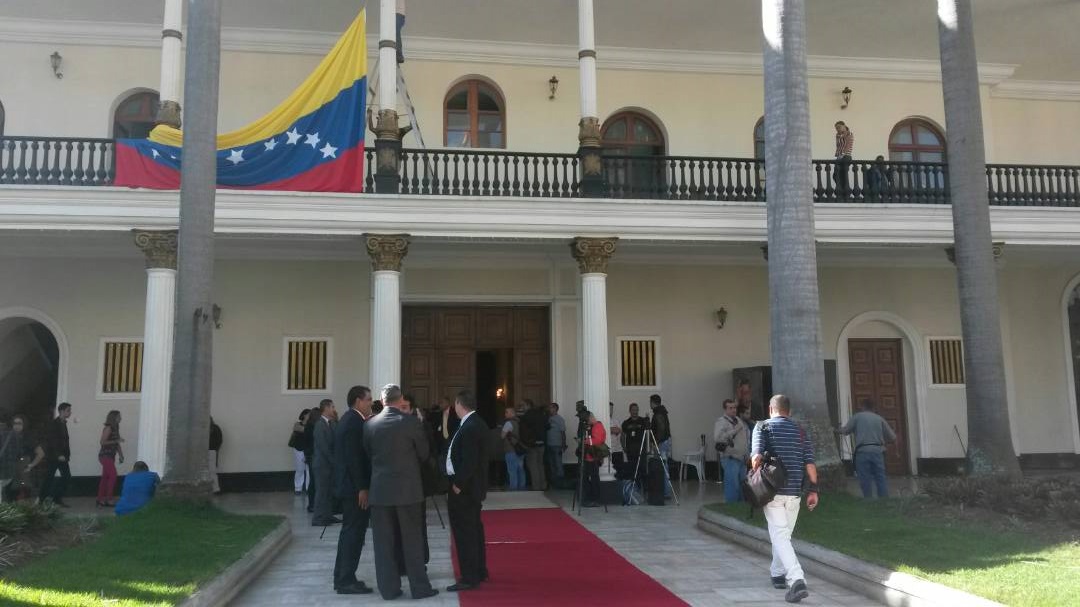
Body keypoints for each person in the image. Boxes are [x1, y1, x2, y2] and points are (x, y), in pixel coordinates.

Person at [362, 384, 438, 601]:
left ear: (382, 400)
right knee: (411, 541)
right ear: (400, 399)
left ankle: (389, 589)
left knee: (383, 543)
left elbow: (368, 454)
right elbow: (424, 454)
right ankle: (420, 588)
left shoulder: (369, 425)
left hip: (381, 491)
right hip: (408, 490)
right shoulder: (411, 422)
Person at [751, 394, 819, 604]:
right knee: (783, 535)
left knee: (780, 536)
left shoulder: (762, 427)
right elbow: (809, 463)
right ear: (788, 411)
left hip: (772, 491)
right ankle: (777, 573)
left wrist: (754, 470)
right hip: (795, 493)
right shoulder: (800, 431)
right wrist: (814, 490)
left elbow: (756, 460)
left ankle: (797, 580)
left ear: (771, 409)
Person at [332, 385, 375, 595]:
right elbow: (354, 460)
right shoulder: (354, 423)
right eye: (368, 400)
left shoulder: (350, 420)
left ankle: (343, 576)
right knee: (353, 534)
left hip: (349, 487)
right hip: (353, 489)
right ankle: (346, 579)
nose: (370, 403)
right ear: (358, 401)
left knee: (349, 533)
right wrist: (362, 488)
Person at [446, 389, 489, 592]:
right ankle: (479, 570)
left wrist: (458, 484)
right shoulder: (474, 423)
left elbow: (470, 461)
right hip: (471, 488)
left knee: (465, 533)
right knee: (473, 530)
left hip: (465, 489)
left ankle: (470, 576)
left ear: (459, 404)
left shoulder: (471, 426)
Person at [837, 398, 896, 499]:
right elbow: (892, 437)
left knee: (865, 478)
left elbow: (845, 431)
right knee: (880, 477)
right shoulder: (879, 418)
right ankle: (884, 500)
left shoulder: (857, 417)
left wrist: (835, 430)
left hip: (862, 451)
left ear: (863, 406)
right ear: (873, 408)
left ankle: (868, 499)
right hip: (878, 451)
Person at [714, 399, 749, 503]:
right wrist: (734, 431)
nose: (733, 410)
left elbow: (745, 438)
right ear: (725, 409)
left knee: (742, 486)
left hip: (742, 458)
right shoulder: (721, 421)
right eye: (730, 408)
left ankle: (741, 507)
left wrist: (747, 453)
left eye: (734, 408)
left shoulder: (738, 420)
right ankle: (731, 507)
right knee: (732, 486)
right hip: (730, 458)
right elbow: (718, 438)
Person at [312, 399, 340, 526]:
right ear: (326, 408)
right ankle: (318, 517)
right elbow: (323, 446)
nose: (334, 409)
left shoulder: (331, 423)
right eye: (332, 407)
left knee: (329, 491)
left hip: (329, 464)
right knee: (322, 491)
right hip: (322, 464)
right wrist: (334, 461)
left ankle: (328, 515)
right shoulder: (319, 425)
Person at [39, 402, 72, 507]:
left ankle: (56, 498)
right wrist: (58, 455)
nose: (70, 412)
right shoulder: (54, 424)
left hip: (62, 456)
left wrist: (66, 455)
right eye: (68, 410)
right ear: (61, 411)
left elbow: (64, 441)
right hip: (55, 456)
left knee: (66, 477)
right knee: (49, 477)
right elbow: (52, 441)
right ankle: (42, 499)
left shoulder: (63, 423)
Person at [6, 415, 44, 501]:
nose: (17, 425)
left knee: (23, 495)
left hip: (23, 471)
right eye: (15, 423)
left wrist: (31, 465)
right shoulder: (7, 437)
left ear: (24, 425)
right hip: (10, 472)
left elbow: (41, 453)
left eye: (19, 423)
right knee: (10, 496)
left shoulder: (28, 438)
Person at [97, 410, 125, 508]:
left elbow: (116, 444)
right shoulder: (108, 428)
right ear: (114, 418)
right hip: (105, 456)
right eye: (119, 416)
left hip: (110, 456)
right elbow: (102, 442)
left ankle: (100, 499)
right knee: (113, 476)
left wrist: (121, 455)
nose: (120, 418)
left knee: (105, 477)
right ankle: (108, 499)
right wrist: (116, 440)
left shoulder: (116, 428)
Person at [519, 398, 547, 491]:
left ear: (527, 405)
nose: (521, 408)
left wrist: (526, 443)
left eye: (522, 405)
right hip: (542, 443)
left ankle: (536, 487)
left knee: (533, 465)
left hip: (532, 444)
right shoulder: (541, 414)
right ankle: (543, 485)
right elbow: (548, 426)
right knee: (540, 465)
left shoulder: (526, 417)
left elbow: (524, 432)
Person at [649, 394, 673, 498]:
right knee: (664, 466)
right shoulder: (662, 412)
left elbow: (661, 430)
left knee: (663, 467)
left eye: (650, 402)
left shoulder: (658, 414)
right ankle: (665, 491)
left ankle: (665, 492)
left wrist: (655, 443)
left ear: (653, 402)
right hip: (665, 442)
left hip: (661, 443)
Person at [582, 411, 606, 507]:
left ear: (591, 417)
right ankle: (590, 497)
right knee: (589, 477)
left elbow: (598, 440)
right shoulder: (593, 426)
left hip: (593, 457)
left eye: (587, 420)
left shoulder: (597, 426)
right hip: (590, 456)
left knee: (594, 478)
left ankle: (594, 499)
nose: (587, 422)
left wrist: (585, 441)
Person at [500, 406, 525, 490]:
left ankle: (513, 488)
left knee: (512, 470)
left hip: (511, 449)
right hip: (521, 448)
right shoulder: (520, 422)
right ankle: (522, 487)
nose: (505, 414)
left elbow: (502, 436)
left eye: (507, 412)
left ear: (512, 413)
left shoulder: (508, 423)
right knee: (520, 469)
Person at [621, 403, 648, 477]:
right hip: (630, 450)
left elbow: (648, 434)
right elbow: (622, 436)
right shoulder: (626, 423)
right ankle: (633, 486)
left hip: (642, 450)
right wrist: (624, 447)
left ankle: (642, 487)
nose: (635, 411)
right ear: (630, 411)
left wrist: (649, 446)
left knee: (642, 469)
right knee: (632, 469)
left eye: (636, 410)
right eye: (633, 410)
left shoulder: (643, 421)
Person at [303, 406, 320, 513]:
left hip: (310, 455)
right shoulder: (314, 427)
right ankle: (313, 504)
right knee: (314, 481)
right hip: (314, 456)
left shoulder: (309, 426)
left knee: (313, 481)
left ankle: (312, 504)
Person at [544, 402, 566, 487]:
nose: (549, 409)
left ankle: (560, 482)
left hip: (557, 444)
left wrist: (563, 444)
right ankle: (553, 481)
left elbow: (563, 432)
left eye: (551, 408)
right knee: (551, 464)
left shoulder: (560, 419)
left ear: (555, 409)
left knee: (558, 464)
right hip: (549, 444)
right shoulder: (547, 418)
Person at [289, 409, 309, 495]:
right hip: (299, 449)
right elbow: (301, 429)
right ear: (304, 415)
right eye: (308, 414)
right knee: (300, 469)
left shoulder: (312, 425)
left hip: (308, 449)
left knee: (309, 470)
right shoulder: (297, 424)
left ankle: (309, 488)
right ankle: (298, 488)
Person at [834, 121, 854, 197]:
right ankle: (841, 190)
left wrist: (842, 154)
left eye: (839, 127)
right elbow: (838, 146)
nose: (837, 129)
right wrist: (838, 155)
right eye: (836, 128)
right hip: (839, 156)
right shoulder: (838, 135)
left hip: (846, 156)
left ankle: (845, 192)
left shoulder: (849, 134)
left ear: (844, 126)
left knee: (843, 174)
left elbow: (847, 145)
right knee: (835, 175)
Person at [208, 416, 223, 494]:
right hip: (211, 451)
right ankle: (214, 489)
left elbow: (219, 440)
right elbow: (220, 440)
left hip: (211, 451)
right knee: (212, 471)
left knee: (212, 471)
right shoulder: (215, 428)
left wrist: (215, 449)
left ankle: (215, 489)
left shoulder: (215, 428)